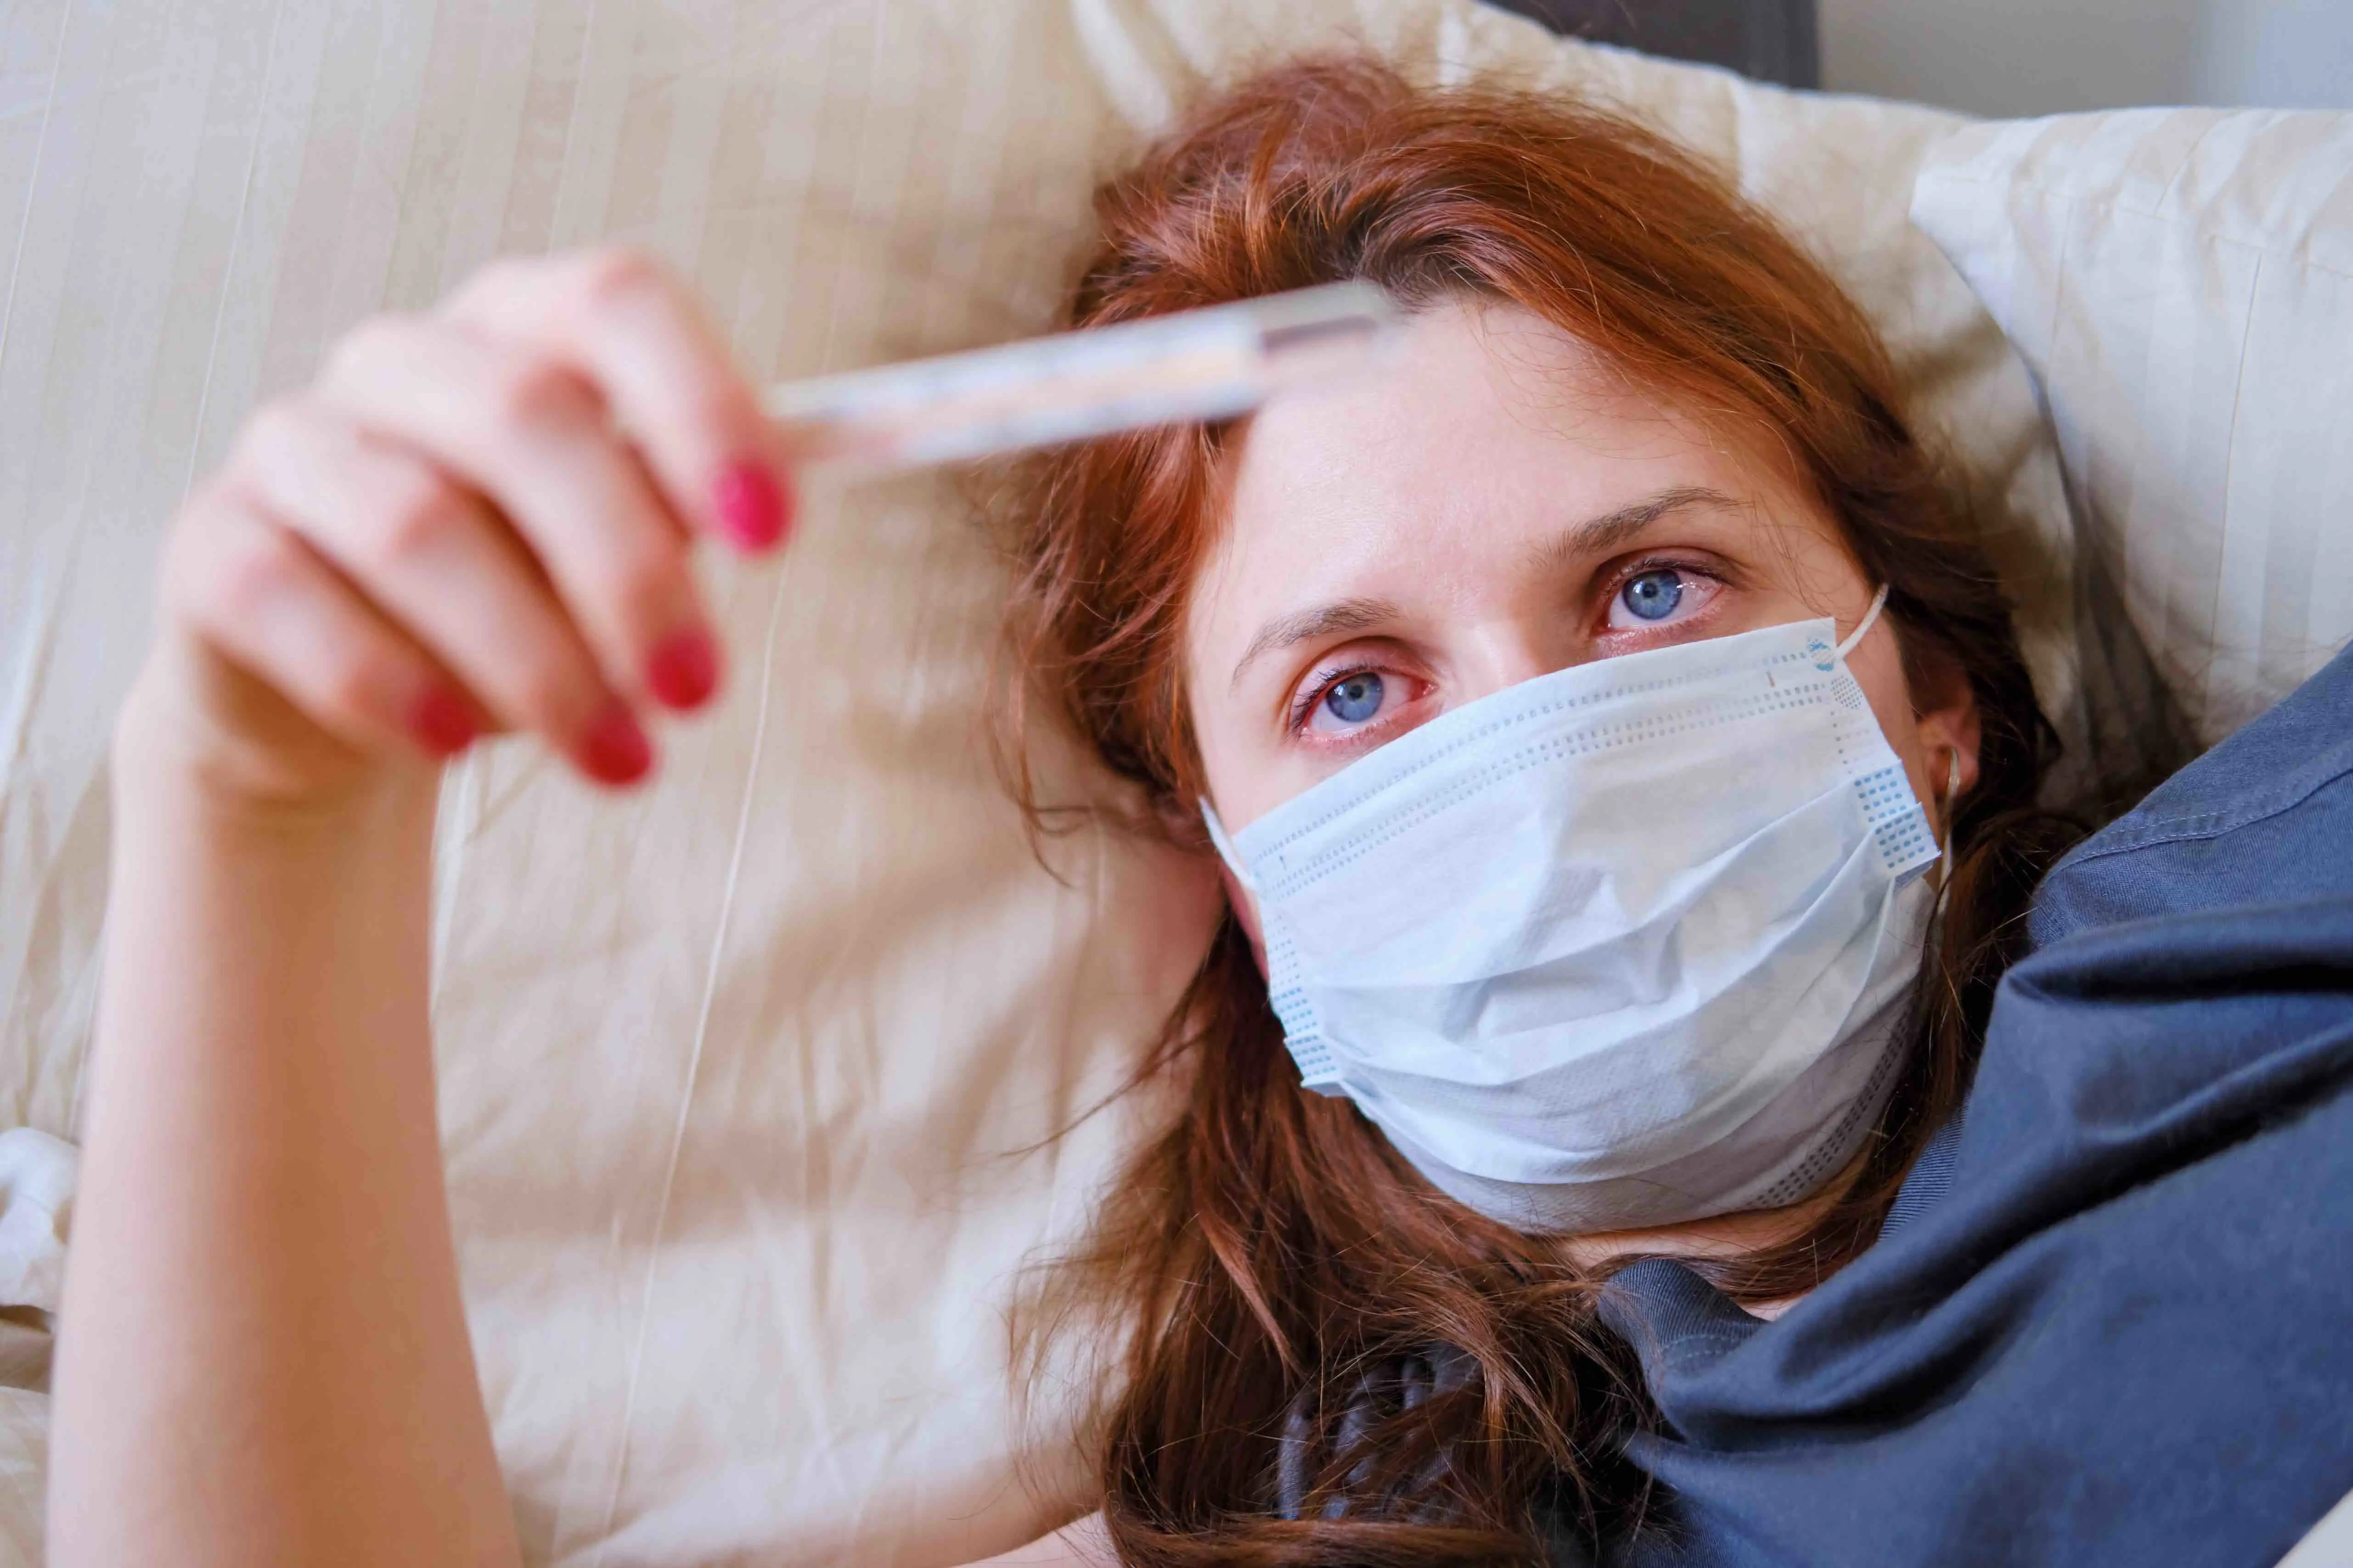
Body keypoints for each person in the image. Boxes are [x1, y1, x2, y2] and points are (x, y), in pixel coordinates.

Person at [49, 53, 2353, 1568]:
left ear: (1930, 695)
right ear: (1247, 893)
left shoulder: (2259, 913)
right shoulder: (1366, 1522)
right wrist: (259, 796)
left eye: (1652, 587)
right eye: (1356, 691)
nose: (1537, 763)